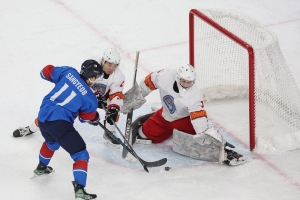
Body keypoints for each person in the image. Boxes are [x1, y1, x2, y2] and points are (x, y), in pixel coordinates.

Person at [128, 64, 245, 166]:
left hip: (183, 121)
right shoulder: (165, 76)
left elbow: (198, 116)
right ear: (178, 77)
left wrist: (205, 134)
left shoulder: (194, 95)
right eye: (183, 81)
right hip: (164, 116)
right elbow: (150, 80)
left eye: (189, 82)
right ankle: (155, 117)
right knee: (142, 134)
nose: (185, 84)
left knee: (201, 140)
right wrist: (137, 95)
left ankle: (225, 151)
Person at [13, 48, 125, 148]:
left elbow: (116, 93)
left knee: (114, 112)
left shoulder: (118, 76)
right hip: (85, 97)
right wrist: (94, 96)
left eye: (115, 66)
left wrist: (113, 108)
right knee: (58, 113)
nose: (111, 68)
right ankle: (31, 128)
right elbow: (81, 82)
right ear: (103, 61)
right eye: (109, 65)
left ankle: (109, 133)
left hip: (102, 99)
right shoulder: (93, 63)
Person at [33, 59, 102, 199]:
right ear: (92, 77)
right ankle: (80, 190)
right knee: (81, 155)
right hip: (60, 123)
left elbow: (45, 72)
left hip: (43, 116)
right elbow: (85, 118)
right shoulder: (90, 98)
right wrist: (95, 117)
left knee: (52, 143)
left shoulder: (68, 72)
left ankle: (41, 168)